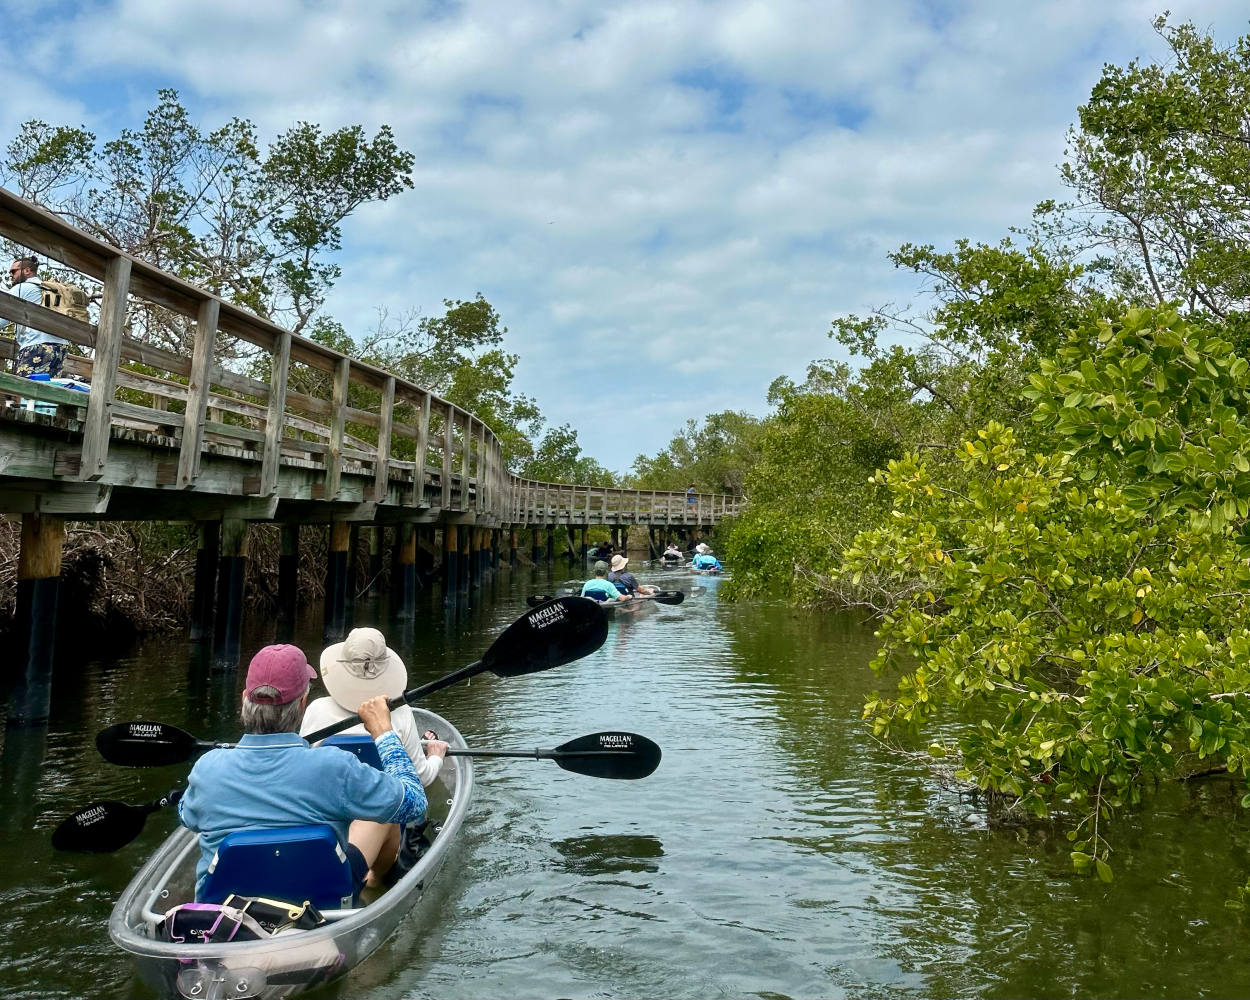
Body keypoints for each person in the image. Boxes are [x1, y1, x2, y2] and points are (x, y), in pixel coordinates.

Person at [178, 644, 429, 901]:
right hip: (318, 910)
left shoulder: (207, 769)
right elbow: (414, 803)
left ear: (244, 699)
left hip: (225, 917)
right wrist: (384, 733)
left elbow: (186, 817)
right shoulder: (335, 767)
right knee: (383, 817)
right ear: (302, 704)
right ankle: (373, 887)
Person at [301, 627, 447, 787]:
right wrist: (435, 757)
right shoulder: (401, 713)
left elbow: (304, 768)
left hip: (329, 807)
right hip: (385, 809)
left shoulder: (317, 709)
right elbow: (421, 778)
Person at [7, 257, 68, 378]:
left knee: (22, 391)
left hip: (36, 346)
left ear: (27, 270)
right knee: (45, 393)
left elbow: (2, 318)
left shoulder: (21, 288)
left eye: (13, 271)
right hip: (60, 348)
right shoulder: (48, 289)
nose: (11, 275)